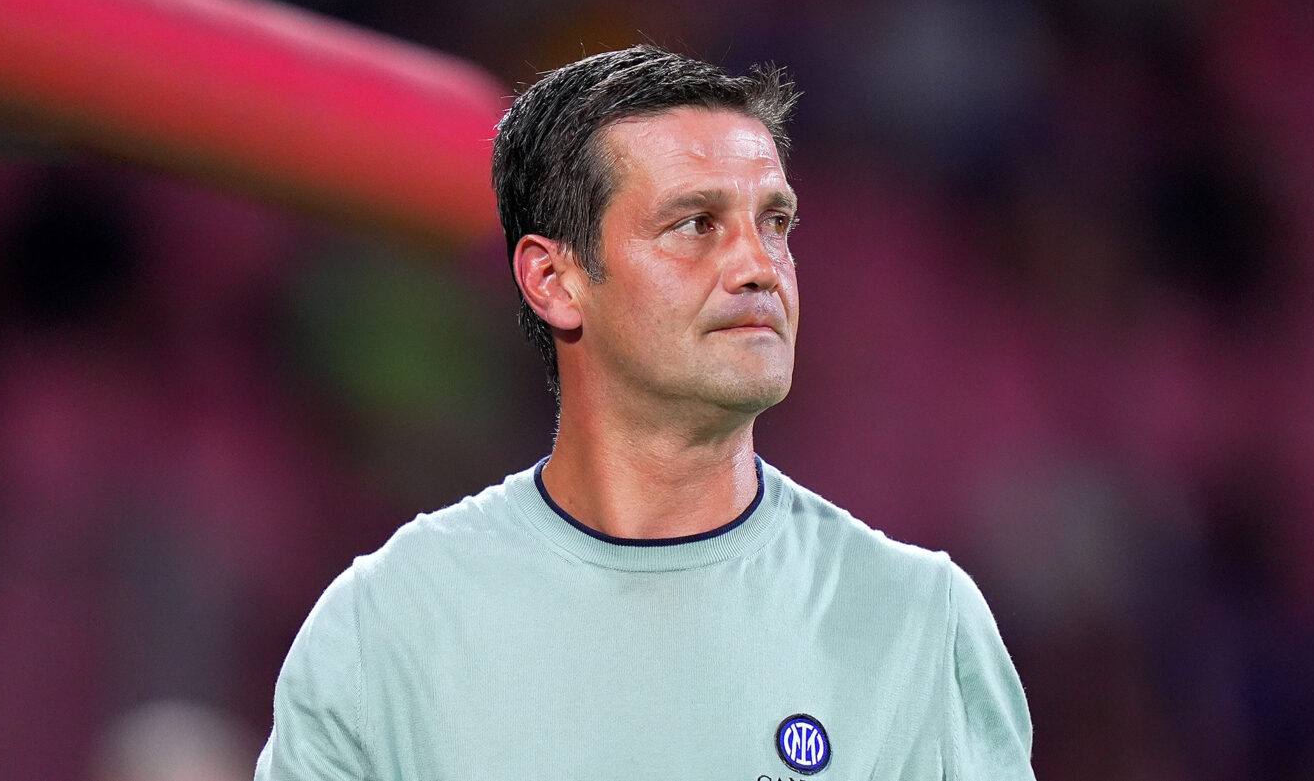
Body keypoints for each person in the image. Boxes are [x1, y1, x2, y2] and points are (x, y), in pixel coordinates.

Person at [256, 45, 1035, 780]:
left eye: (775, 223)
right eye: (695, 224)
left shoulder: (920, 622)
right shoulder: (387, 625)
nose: (760, 267)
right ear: (554, 280)